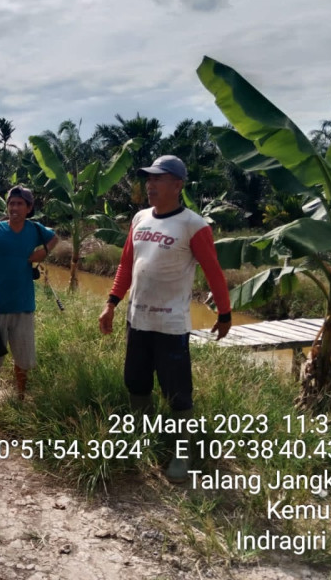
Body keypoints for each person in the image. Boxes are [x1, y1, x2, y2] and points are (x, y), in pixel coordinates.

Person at [97, 155, 232, 483]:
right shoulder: (139, 218)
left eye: (159, 179)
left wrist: (225, 313)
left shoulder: (193, 225)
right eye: (149, 179)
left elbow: (213, 271)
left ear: (178, 185)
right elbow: (127, 265)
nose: (151, 185)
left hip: (171, 326)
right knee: (136, 383)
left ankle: (181, 453)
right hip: (137, 320)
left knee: (177, 393)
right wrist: (112, 303)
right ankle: (143, 440)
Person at [0, 185, 59, 405]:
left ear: (29, 208)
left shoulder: (35, 229)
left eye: (20, 204)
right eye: (11, 203)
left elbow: (54, 239)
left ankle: (20, 398)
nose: (14, 208)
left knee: (23, 357)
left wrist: (43, 252)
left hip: (23, 305)